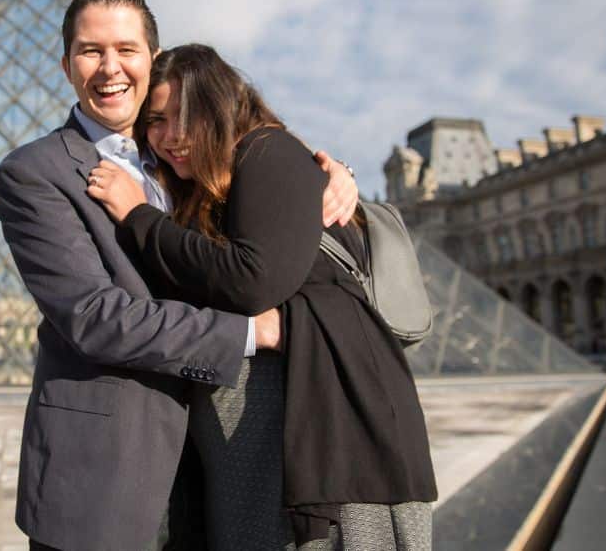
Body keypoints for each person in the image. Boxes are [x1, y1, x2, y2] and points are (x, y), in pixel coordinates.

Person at [0, 0, 360, 551]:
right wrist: (251, 331)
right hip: (105, 470)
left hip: (222, 458)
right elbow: (95, 315)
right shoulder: (32, 172)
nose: (109, 68)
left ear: (153, 59)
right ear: (66, 65)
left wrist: (332, 174)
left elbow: (266, 192)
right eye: (91, 51)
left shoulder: (185, 156)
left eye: (126, 50)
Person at [88, 43, 438, 550]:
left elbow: (252, 280)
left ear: (218, 105)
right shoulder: (204, 184)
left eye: (183, 116)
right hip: (258, 422)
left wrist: (139, 215)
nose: (168, 137)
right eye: (156, 122)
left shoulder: (266, 151)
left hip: (328, 416)